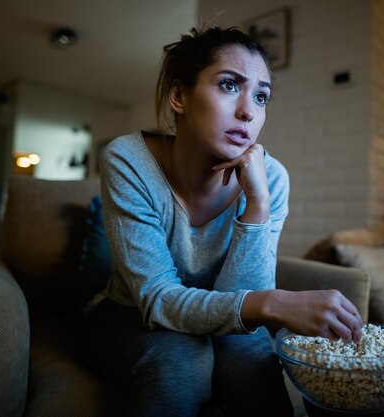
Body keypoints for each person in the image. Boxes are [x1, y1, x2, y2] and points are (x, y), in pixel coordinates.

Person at [81, 26, 363, 417]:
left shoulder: (272, 178)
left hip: (225, 318)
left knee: (252, 364)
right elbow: (158, 299)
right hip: (127, 316)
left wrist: (257, 203)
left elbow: (242, 302)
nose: (249, 111)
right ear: (179, 96)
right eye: (230, 86)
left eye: (261, 96)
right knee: (181, 359)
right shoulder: (128, 160)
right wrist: (275, 303)